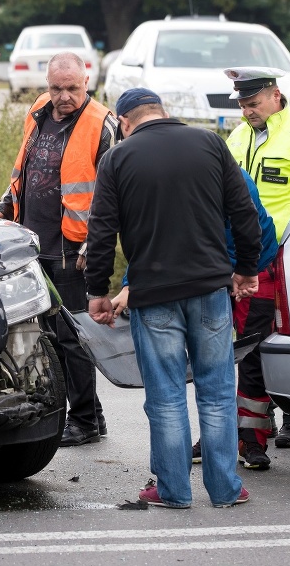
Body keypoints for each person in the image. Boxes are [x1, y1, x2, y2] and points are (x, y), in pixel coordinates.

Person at [86, 88, 261, 508]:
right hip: (210, 291)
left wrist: (98, 291)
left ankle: (173, 490)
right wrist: (247, 269)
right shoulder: (208, 143)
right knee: (217, 393)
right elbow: (244, 212)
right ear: (162, 112)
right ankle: (225, 489)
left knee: (165, 397)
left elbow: (102, 230)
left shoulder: (118, 158)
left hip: (154, 296)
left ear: (125, 122)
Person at [0, 52, 118, 447]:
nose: (63, 96)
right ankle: (91, 413)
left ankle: (83, 422)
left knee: (72, 337)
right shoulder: (39, 111)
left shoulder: (103, 125)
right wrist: (4, 208)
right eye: (55, 88)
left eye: (72, 88)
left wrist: (94, 245)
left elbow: (112, 196)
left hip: (72, 249)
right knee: (44, 333)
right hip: (31, 243)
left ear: (87, 81)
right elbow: (25, 171)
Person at [110, 168, 279, 470]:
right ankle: (222, 454)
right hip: (211, 274)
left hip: (251, 266)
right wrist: (129, 284)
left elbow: (247, 229)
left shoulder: (226, 176)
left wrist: (242, 272)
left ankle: (250, 438)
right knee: (214, 377)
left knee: (250, 358)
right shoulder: (170, 179)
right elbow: (152, 239)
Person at [224, 66, 290, 449]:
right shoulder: (238, 138)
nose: (247, 111)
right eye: (241, 104)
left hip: (286, 256)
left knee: (286, 337)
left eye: (253, 103)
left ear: (275, 94)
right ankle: (256, 419)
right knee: (251, 340)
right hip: (245, 258)